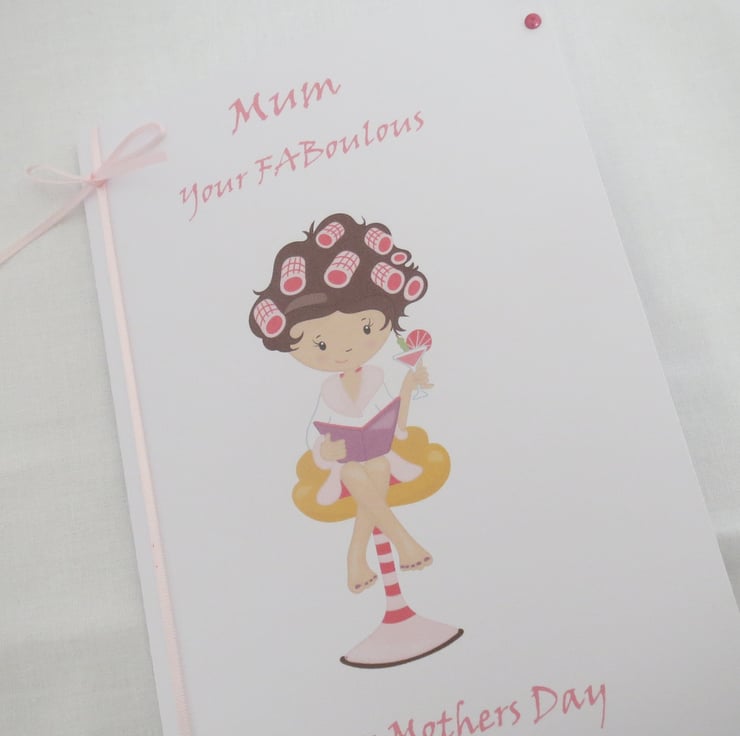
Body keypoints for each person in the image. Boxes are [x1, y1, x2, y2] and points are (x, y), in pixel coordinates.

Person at [250, 213, 433, 593]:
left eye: (365, 328)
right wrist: (325, 450)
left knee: (377, 464)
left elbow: (396, 424)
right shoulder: (327, 391)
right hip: (342, 467)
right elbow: (314, 436)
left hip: (381, 458)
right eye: (320, 343)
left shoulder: (377, 376)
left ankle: (356, 558)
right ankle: (403, 542)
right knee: (353, 470)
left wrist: (408, 387)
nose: (345, 349)